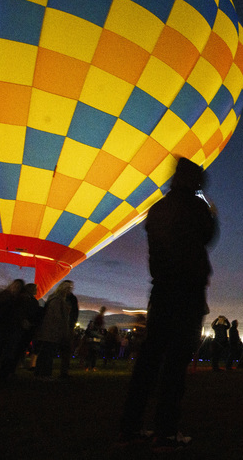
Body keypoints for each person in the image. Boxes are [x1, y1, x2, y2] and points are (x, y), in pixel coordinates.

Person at [119, 157, 217, 452]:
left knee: (149, 361)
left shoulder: (158, 207)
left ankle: (130, 427)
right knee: (175, 365)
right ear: (196, 181)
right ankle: (166, 431)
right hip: (187, 292)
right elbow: (207, 237)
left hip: (160, 291)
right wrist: (212, 213)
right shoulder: (197, 207)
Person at [34, 280, 78, 380]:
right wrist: (62, 328)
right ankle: (45, 374)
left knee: (45, 352)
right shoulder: (57, 300)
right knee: (47, 353)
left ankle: (39, 373)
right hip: (52, 330)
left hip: (50, 330)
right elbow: (56, 317)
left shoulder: (54, 298)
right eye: (68, 288)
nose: (69, 290)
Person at [84, 306, 106, 371]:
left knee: (92, 352)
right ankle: (91, 366)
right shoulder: (99, 317)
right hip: (95, 336)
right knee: (93, 351)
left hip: (94, 337)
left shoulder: (98, 317)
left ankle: (89, 366)